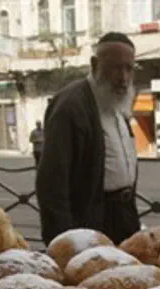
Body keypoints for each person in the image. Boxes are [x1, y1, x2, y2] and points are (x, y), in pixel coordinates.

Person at [37, 32, 140, 245]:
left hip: (124, 215)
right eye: (115, 67)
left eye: (129, 68)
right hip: (92, 221)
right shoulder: (70, 105)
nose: (123, 78)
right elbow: (52, 184)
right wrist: (63, 242)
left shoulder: (116, 102)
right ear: (95, 65)